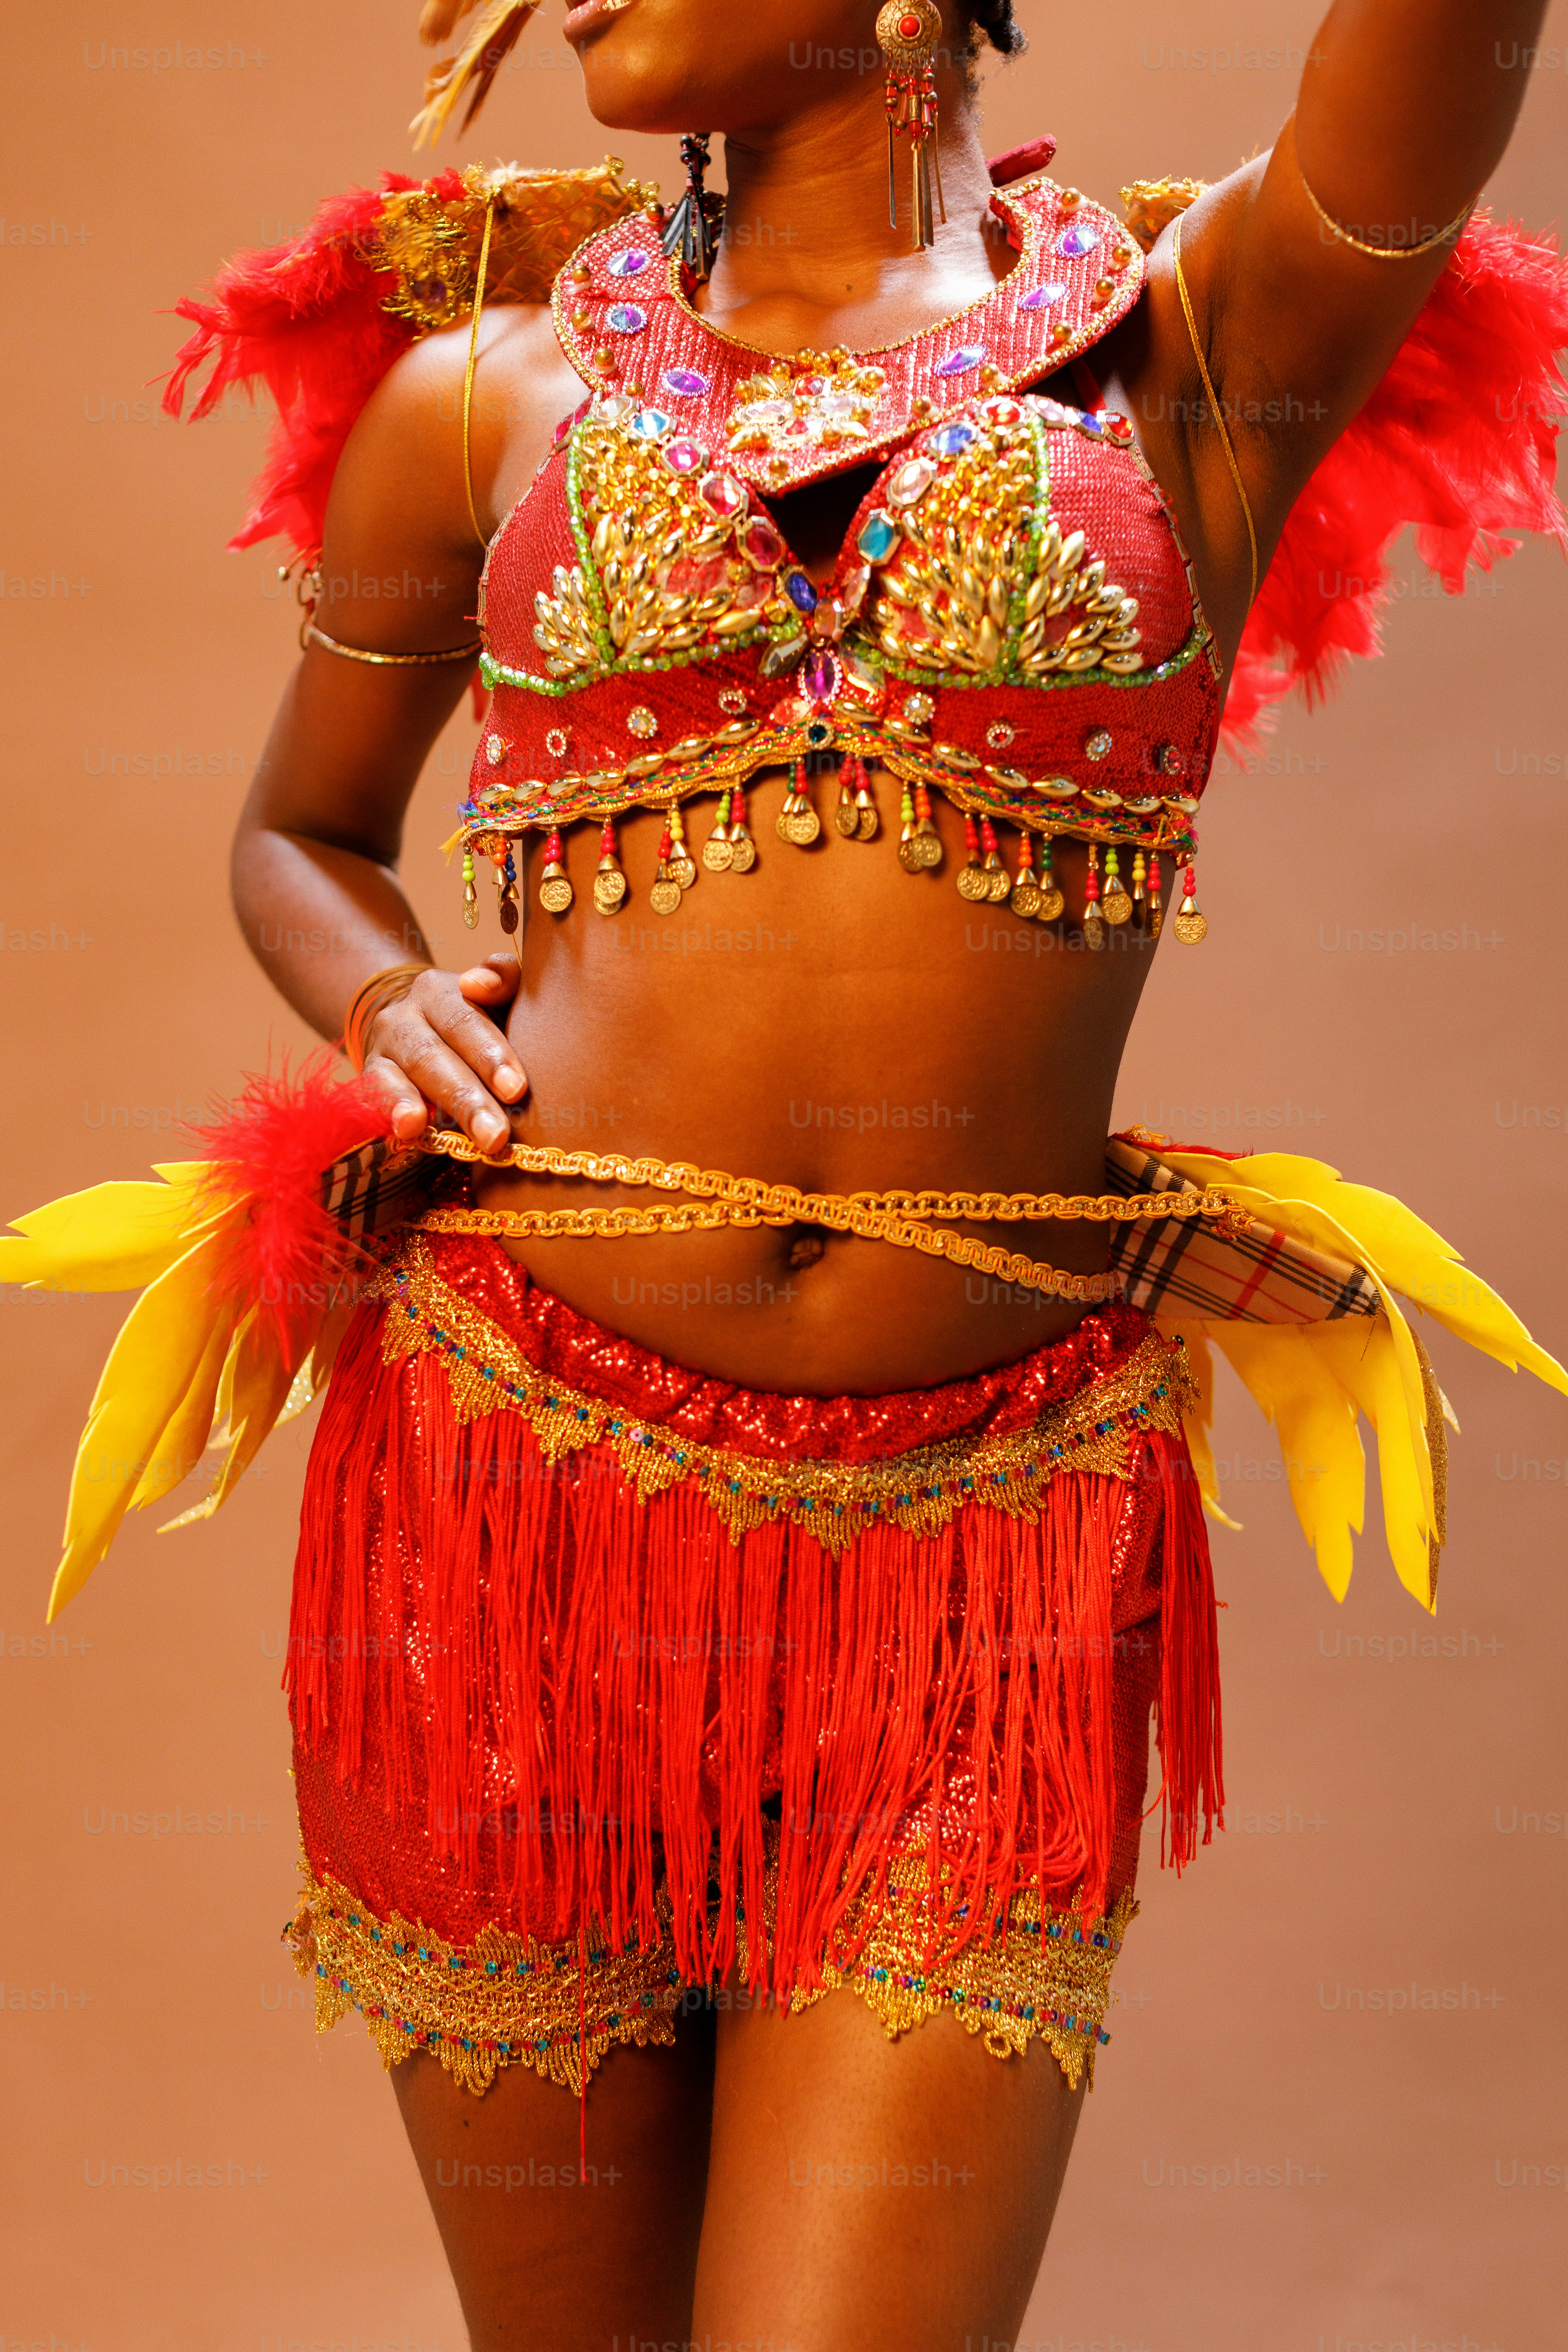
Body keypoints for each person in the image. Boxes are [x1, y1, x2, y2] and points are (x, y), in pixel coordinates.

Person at [5, 2, 1566, 2346]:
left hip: (982, 1573)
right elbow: (300, 832)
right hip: (505, 1523)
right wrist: (370, 995)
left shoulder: (1202, 357)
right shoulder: (481, 401)